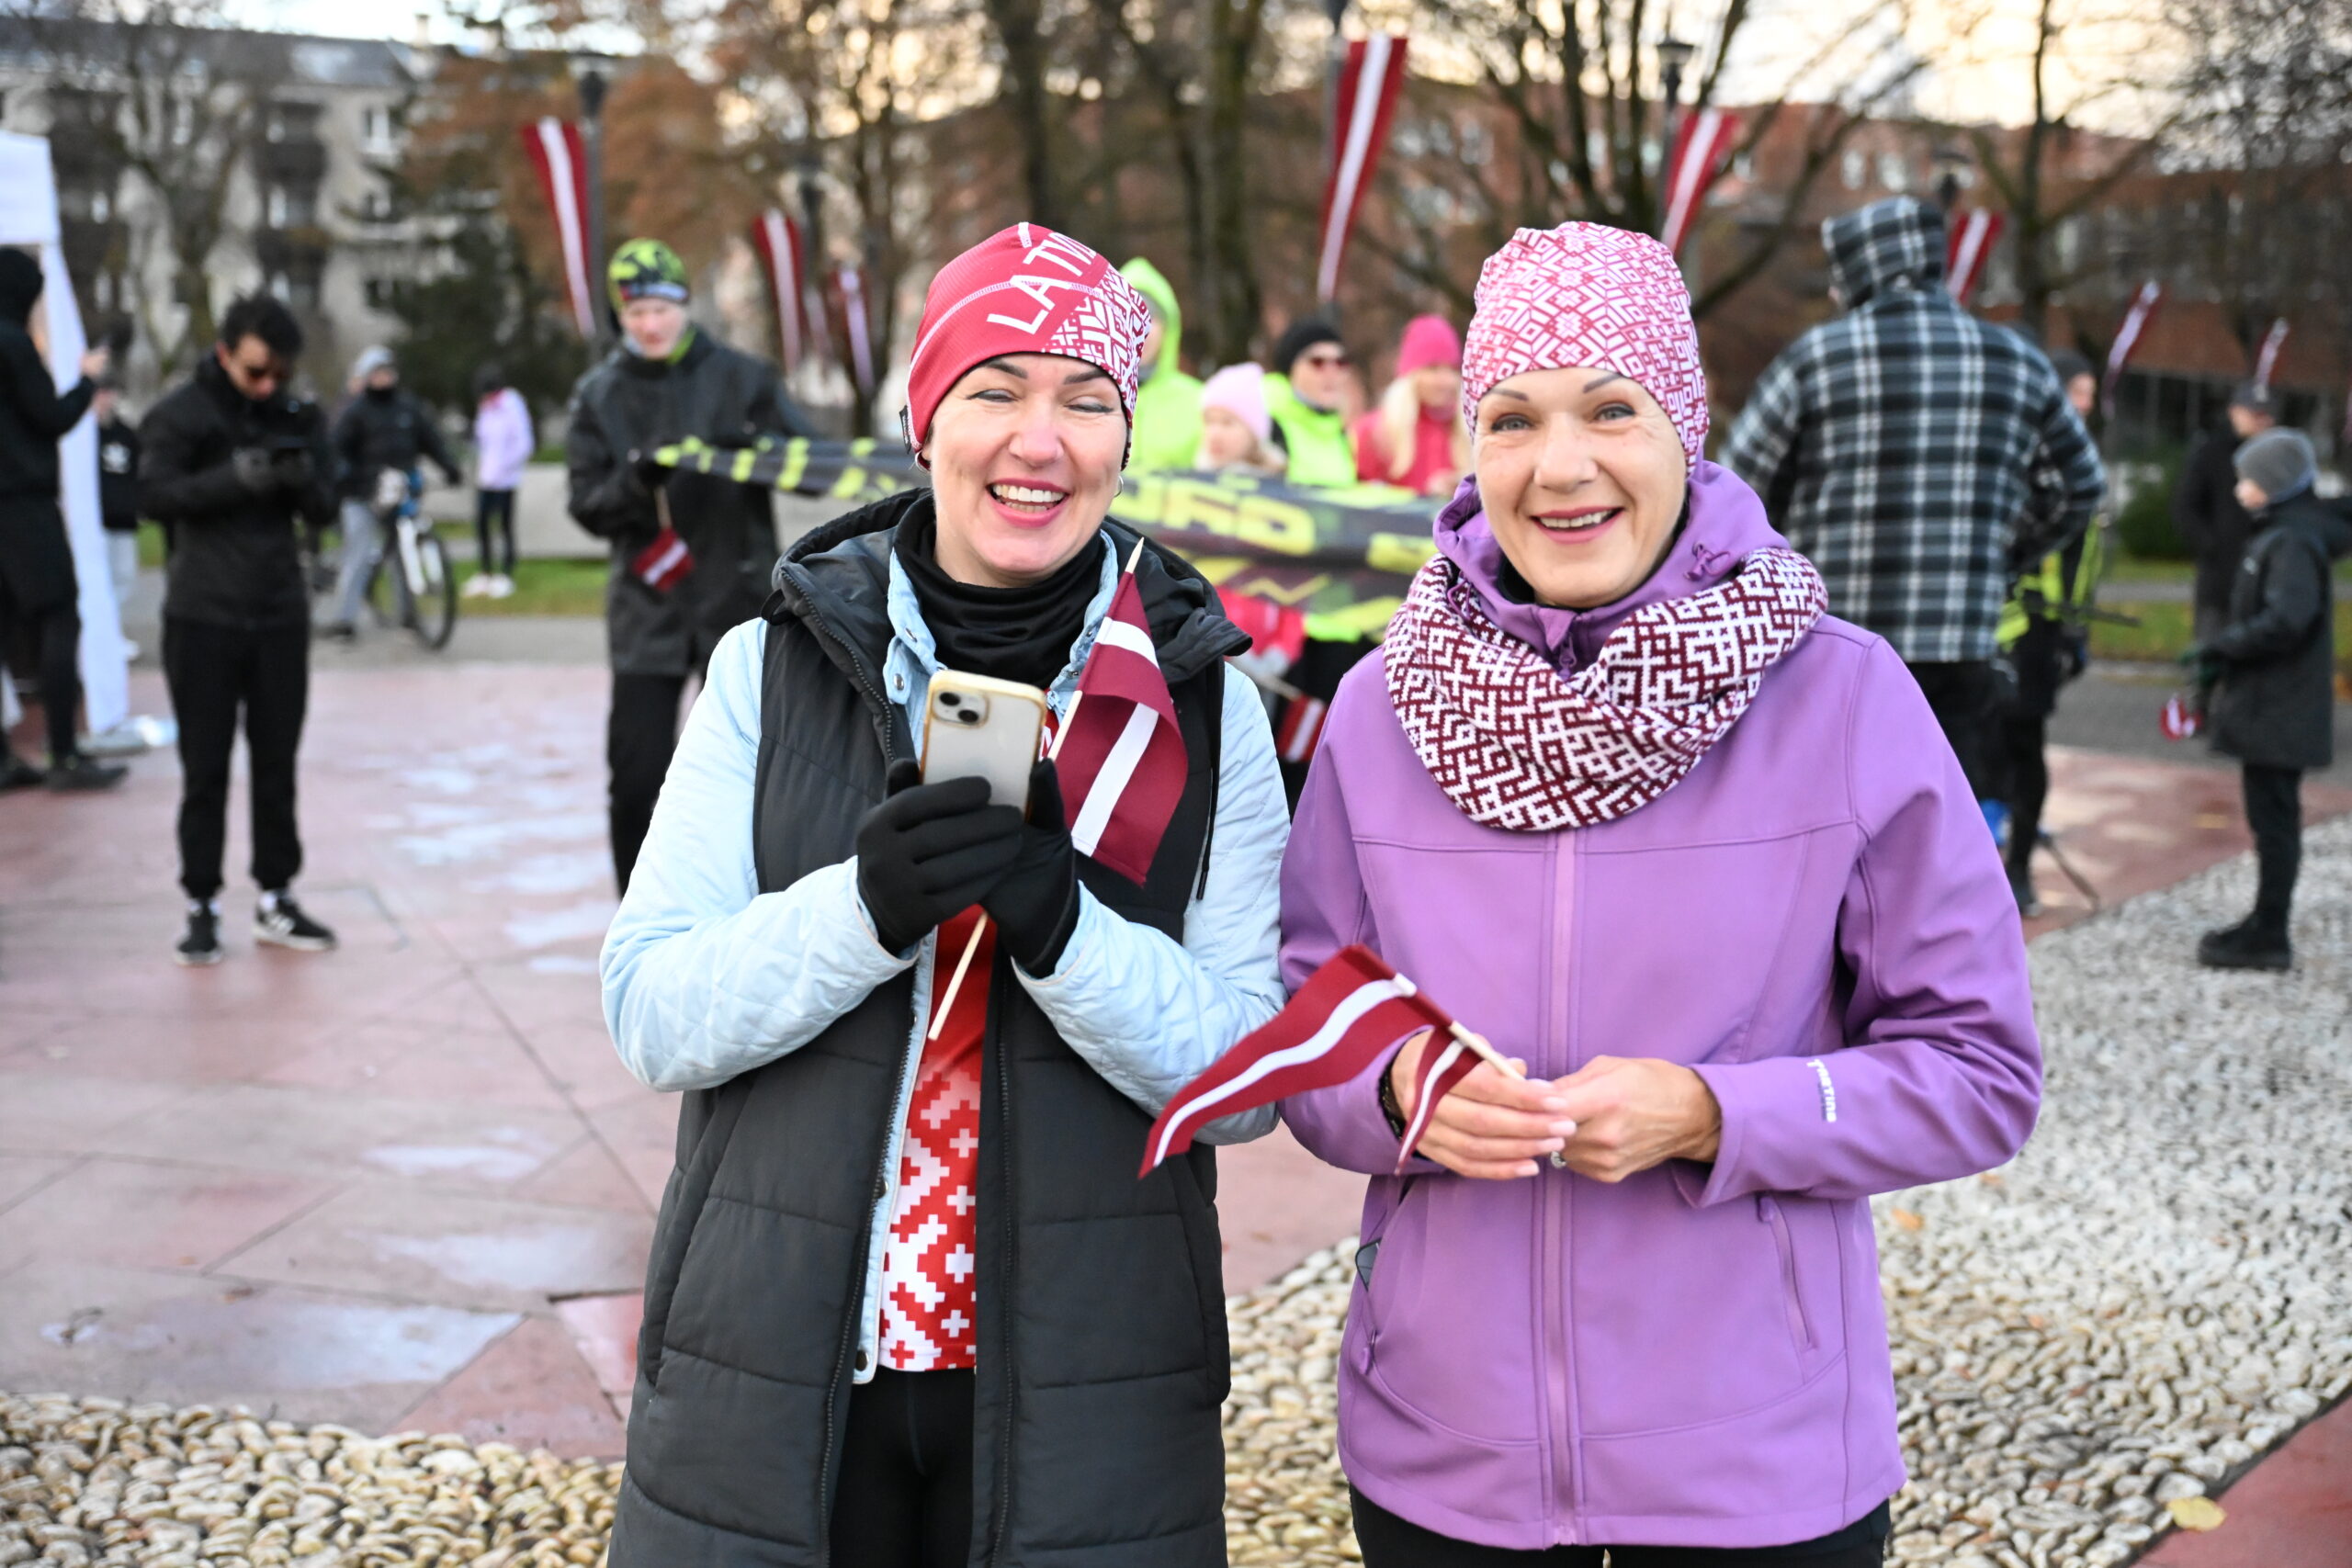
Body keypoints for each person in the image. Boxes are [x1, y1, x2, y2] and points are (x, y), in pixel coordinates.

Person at [1279, 222, 2041, 1563]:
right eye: (1512, 419)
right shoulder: (1378, 708)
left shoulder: (1841, 694)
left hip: (1756, 1465)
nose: (1560, 465)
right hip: (1444, 1458)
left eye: (1610, 410)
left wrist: (1714, 1113)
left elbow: (1978, 1070)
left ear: (1685, 425)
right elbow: (1309, 1022)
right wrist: (1398, 1091)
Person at [599, 223, 1289, 1568]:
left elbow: (1248, 1082)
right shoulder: (768, 666)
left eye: (1085, 400)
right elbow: (650, 1010)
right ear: (925, 422)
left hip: (1086, 1384)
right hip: (780, 1368)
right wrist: (859, 910)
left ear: (1125, 437)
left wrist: (1065, 931)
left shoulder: (1208, 707)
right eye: (996, 389)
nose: (1040, 440)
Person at [1724, 197, 2104, 805]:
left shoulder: (1815, 359)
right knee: (1940, 821)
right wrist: (2004, 555)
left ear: (1861, 271)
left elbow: (1735, 489)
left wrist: (1774, 569)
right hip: (1961, 640)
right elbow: (2080, 485)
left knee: (1827, 817)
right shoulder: (2018, 362)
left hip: (1831, 642)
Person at [565, 236, 814, 892]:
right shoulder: (599, 394)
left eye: (661, 309)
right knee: (636, 775)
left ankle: (752, 904)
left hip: (736, 601)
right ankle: (636, 912)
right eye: (635, 313)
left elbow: (811, 463)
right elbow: (586, 505)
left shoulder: (743, 376)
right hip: (647, 610)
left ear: (684, 305)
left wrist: (755, 447)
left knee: (755, 770)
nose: (650, 325)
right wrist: (636, 480)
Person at [139, 293, 340, 966]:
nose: (267, 386)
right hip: (203, 615)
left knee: (276, 763)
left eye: (279, 374)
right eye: (256, 372)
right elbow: (152, 496)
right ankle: (201, 902)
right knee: (205, 767)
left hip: (278, 612)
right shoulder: (181, 413)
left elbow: (328, 505)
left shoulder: (296, 414)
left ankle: (276, 894)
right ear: (225, 353)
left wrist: (302, 479)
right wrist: (232, 479)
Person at [2182, 428, 2339, 971]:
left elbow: (2288, 619)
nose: (2239, 488)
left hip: (2280, 707)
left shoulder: (2290, 540)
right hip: (2271, 705)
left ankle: (2270, 933)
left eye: (2247, 478)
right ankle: (2263, 920)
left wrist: (2222, 646)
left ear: (2273, 482)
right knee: (2268, 819)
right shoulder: (2279, 533)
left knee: (2275, 823)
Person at [0, 248, 121, 792]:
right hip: (22, 502)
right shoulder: (13, 344)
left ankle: (4, 758)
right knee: (59, 616)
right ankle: (64, 752)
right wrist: (86, 381)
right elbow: (50, 417)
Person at [1995, 350, 2107, 916]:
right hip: (1992, 620)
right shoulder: (2013, 445)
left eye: (2090, 394)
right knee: (1978, 743)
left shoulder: (2078, 463)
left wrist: (2073, 628)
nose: (2085, 404)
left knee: (2026, 743)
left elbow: (2087, 552)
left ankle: (2018, 867)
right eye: (2079, 391)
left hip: (2043, 629)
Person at [322, 345, 462, 639]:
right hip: (363, 494)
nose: (384, 377)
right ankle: (344, 619)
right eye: (377, 372)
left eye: (387, 371)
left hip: (400, 491)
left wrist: (450, 467)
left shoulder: (408, 408)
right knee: (359, 552)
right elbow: (337, 450)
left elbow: (431, 440)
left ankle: (408, 612)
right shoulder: (356, 412)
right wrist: (351, 477)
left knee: (403, 548)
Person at [2173, 381, 2276, 644]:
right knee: (2212, 647)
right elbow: (2186, 508)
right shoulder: (2212, 452)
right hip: (2219, 581)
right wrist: (2212, 547)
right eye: (2254, 413)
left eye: (2264, 414)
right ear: (2234, 412)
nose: (2260, 421)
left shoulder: (2276, 459)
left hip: (2264, 584)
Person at [1352, 313, 1469, 496]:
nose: (1446, 380)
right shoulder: (1374, 432)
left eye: (1452, 369)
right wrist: (1422, 498)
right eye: (1433, 369)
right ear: (1411, 375)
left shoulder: (1468, 431)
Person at [1118, 256, 1204, 472]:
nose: (1141, 329)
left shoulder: (1202, 402)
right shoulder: (1086, 396)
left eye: (1151, 316)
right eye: (1129, 316)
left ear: (1169, 327)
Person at [1266, 317, 1360, 487]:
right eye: (1318, 362)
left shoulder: (1342, 433)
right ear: (1292, 367)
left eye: (1340, 362)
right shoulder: (1266, 422)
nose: (1331, 372)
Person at [468, 365, 533, 600]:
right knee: (482, 525)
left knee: (505, 526)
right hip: (486, 477)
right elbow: (482, 440)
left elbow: (524, 444)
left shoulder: (512, 405)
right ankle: (485, 572)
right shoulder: (485, 409)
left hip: (506, 479)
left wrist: (505, 468)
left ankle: (506, 574)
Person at [94, 379, 141, 617]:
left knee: (124, 575)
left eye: (107, 393)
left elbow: (139, 471)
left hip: (123, 517)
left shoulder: (126, 434)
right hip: (95, 519)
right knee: (96, 574)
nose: (103, 399)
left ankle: (113, 623)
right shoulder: (84, 435)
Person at [1195, 361, 1286, 476]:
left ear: (1254, 432)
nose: (1215, 433)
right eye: (1209, 421)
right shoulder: (1193, 476)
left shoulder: (1277, 480)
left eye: (1227, 423)